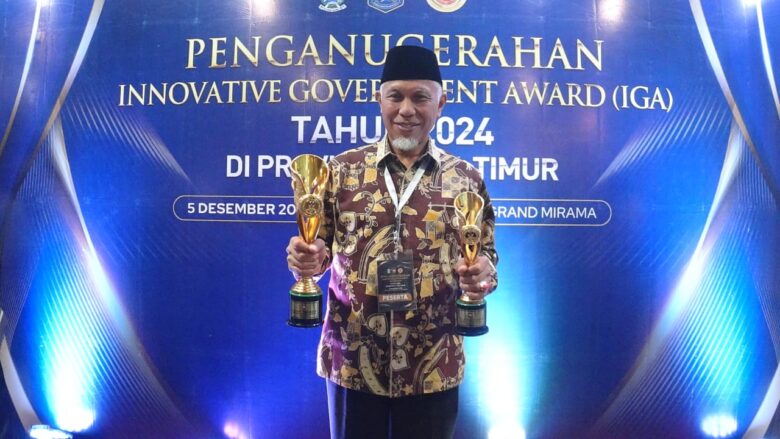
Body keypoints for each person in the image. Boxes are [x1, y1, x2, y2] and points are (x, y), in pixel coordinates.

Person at [286, 45, 498, 439]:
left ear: (441, 104)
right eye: (395, 96)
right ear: (379, 99)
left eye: (420, 97)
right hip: (352, 360)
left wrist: (482, 275)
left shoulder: (466, 179)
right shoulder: (341, 171)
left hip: (432, 365)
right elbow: (318, 250)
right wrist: (305, 257)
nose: (406, 110)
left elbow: (486, 257)